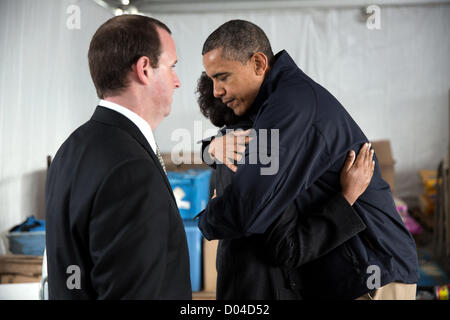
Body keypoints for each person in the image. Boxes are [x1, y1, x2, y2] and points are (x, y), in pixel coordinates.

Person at [197, 20, 419, 300]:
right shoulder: (271, 107)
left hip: (371, 270)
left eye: (223, 76)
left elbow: (247, 207)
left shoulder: (288, 105)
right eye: (213, 80)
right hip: (348, 269)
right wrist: (211, 148)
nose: (216, 90)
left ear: (257, 63)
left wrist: (206, 220)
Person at [45, 15, 191, 299]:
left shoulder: (71, 149)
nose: (177, 81)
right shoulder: (132, 168)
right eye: (172, 67)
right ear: (145, 69)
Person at [197, 73, 374, 299]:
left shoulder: (226, 143)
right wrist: (347, 198)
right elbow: (287, 249)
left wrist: (209, 148)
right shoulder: (257, 150)